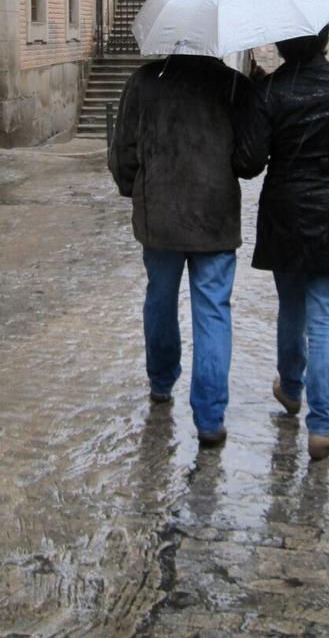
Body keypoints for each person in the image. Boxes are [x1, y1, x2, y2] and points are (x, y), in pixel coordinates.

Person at [233, 26, 329, 460]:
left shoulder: (269, 91)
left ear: (282, 44)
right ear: (325, 39)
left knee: (292, 307)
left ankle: (291, 389)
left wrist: (252, 100)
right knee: (326, 319)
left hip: (287, 212)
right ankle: (322, 426)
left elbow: (250, 163)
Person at [109, 54, 254, 448]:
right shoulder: (232, 83)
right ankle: (209, 419)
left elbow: (122, 148)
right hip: (215, 217)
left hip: (160, 215)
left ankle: (161, 380)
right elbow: (250, 157)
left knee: (160, 297)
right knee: (212, 311)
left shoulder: (144, 80)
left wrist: (137, 190)